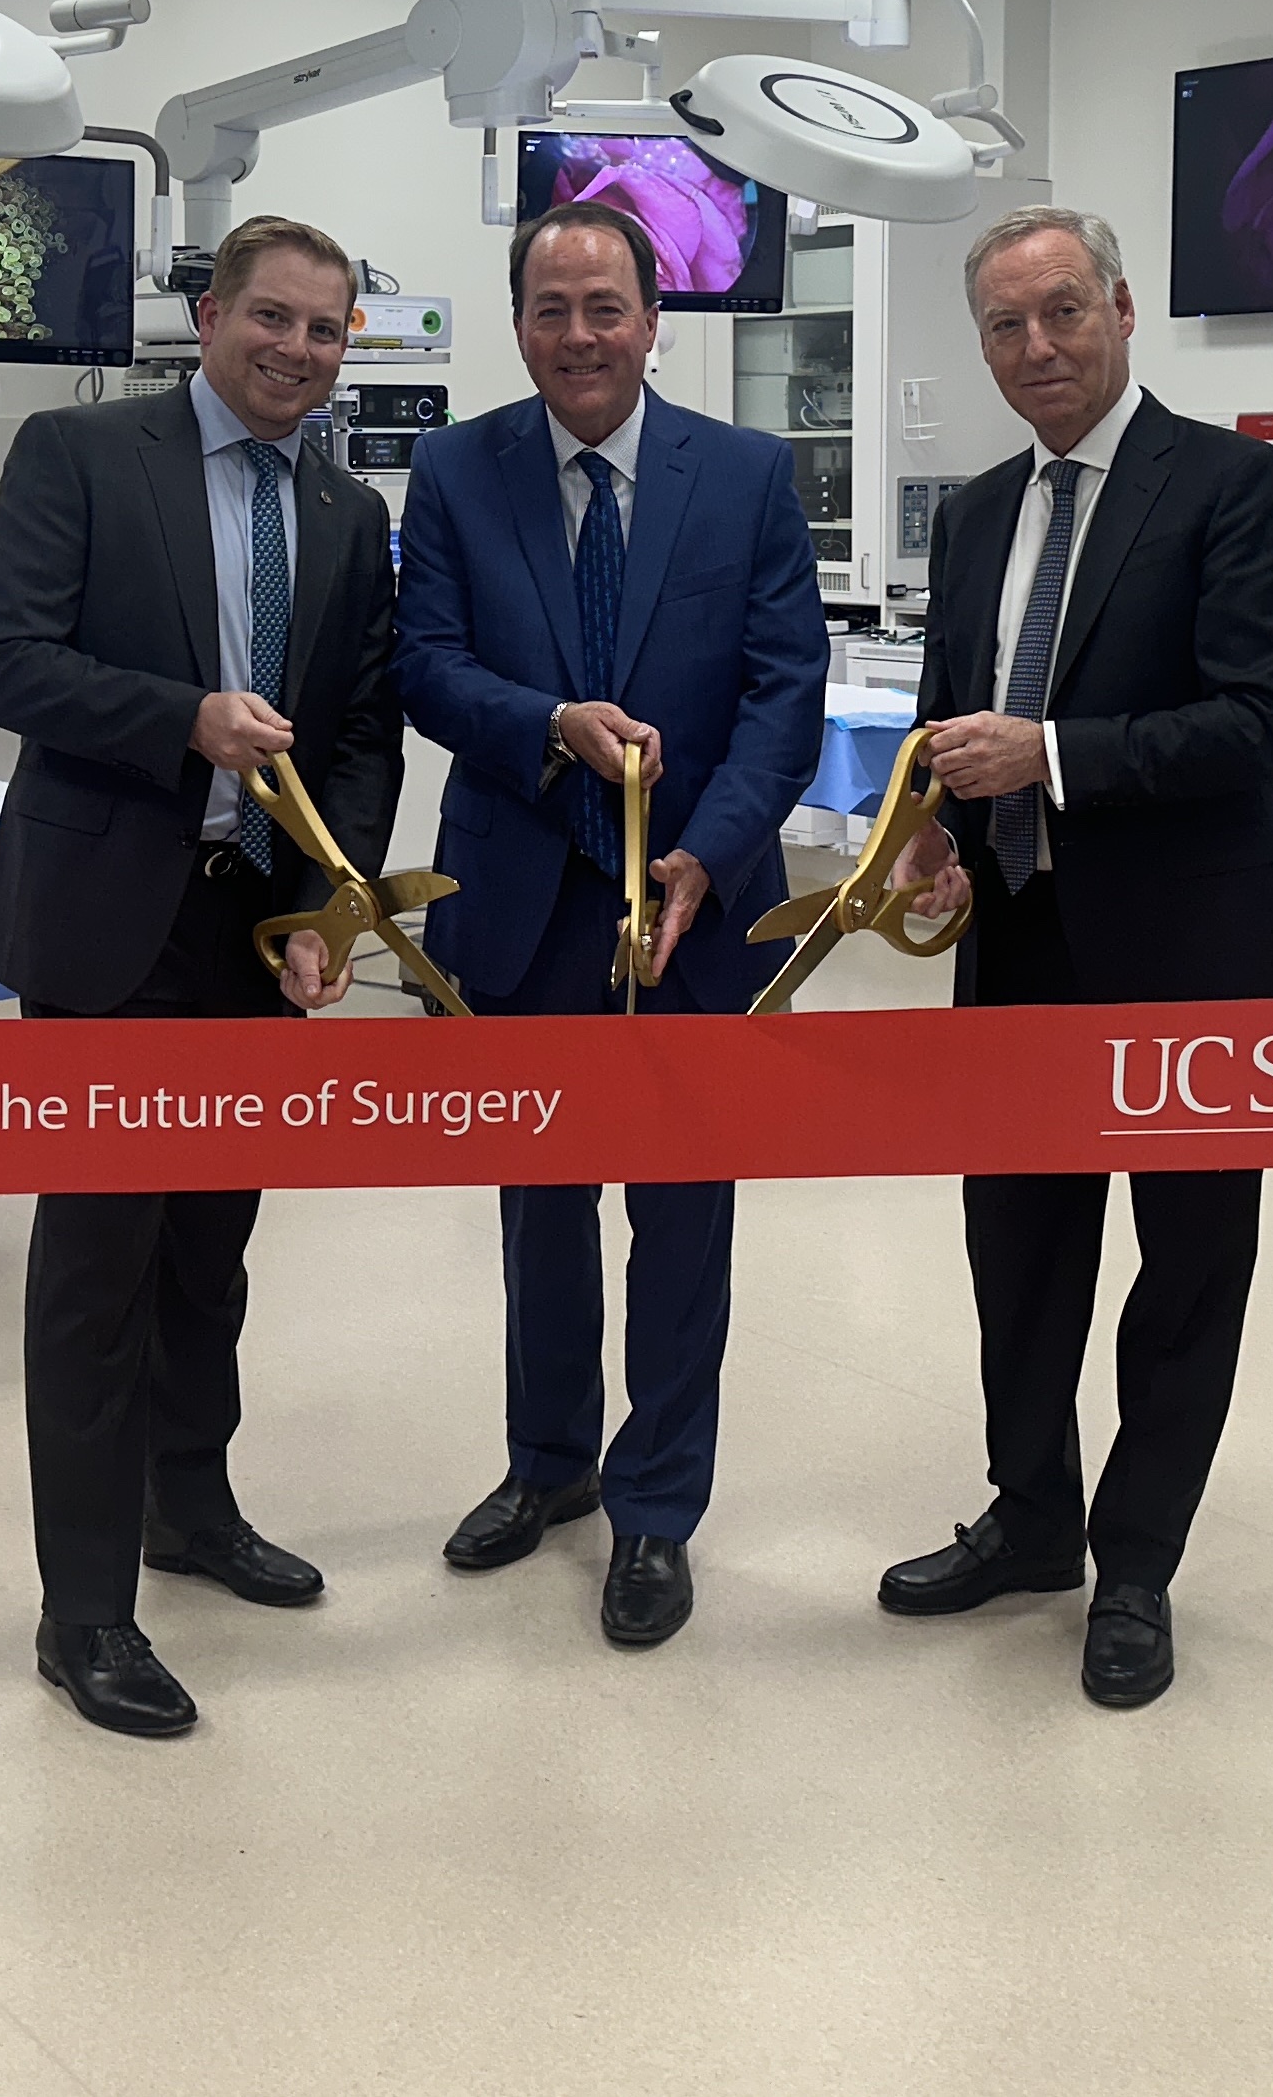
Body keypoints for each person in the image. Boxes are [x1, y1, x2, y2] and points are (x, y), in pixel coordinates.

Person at [0, 215, 404, 1739]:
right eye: (271, 319)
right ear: (209, 318)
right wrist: (184, 721)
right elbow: (3, 664)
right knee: (99, 1266)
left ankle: (188, 1510)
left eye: (326, 332)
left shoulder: (347, 512)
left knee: (212, 1242)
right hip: (105, 926)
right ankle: (82, 1611)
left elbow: (356, 736)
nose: (295, 351)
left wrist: (315, 911)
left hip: (246, 930)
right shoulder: (80, 456)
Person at [875, 205, 1273, 1710]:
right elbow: (958, 717)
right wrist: (937, 821)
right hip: (1018, 953)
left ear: (1125, 309)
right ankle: (1031, 1520)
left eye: (1063, 312)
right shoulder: (975, 513)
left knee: (1187, 1273)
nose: (1038, 348)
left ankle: (1136, 1566)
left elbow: (1272, 723)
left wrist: (1051, 755)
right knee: (1019, 1260)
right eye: (1007, 326)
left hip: (1195, 962)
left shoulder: (1237, 487)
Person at [395, 200, 827, 1649]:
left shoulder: (750, 475)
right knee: (540, 1206)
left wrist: (709, 851)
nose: (577, 336)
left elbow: (784, 694)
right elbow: (427, 666)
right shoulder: (457, 472)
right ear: (519, 323)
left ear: (653, 317)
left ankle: (656, 1511)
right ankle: (547, 1466)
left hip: (697, 911)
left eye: (604, 308)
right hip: (521, 897)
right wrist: (548, 725)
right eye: (549, 309)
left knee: (685, 1216)